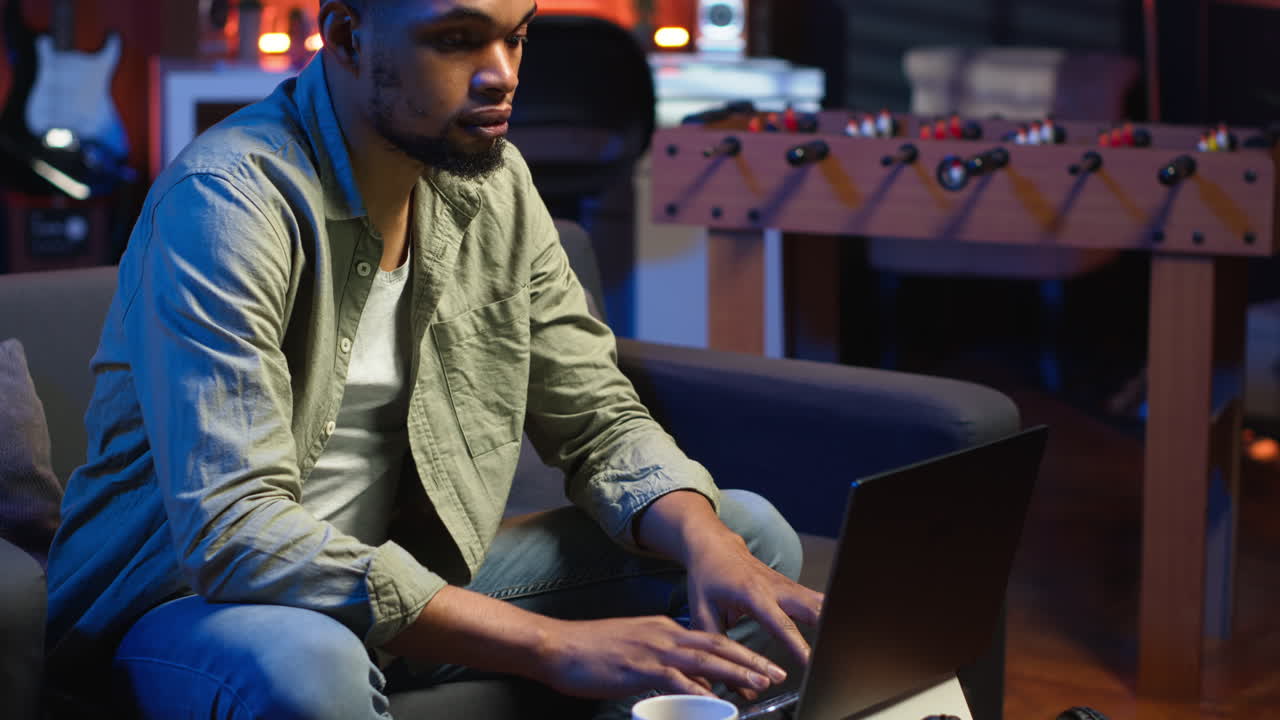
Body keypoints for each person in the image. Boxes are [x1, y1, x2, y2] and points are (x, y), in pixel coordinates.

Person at [43, 1, 824, 717]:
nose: (504, 73)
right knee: (307, 660)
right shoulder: (225, 201)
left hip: (405, 578)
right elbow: (236, 533)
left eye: (516, 36)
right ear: (347, 36)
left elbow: (598, 418)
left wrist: (708, 544)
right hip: (192, 605)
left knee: (746, 539)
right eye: (456, 40)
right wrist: (554, 646)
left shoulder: (496, 183)